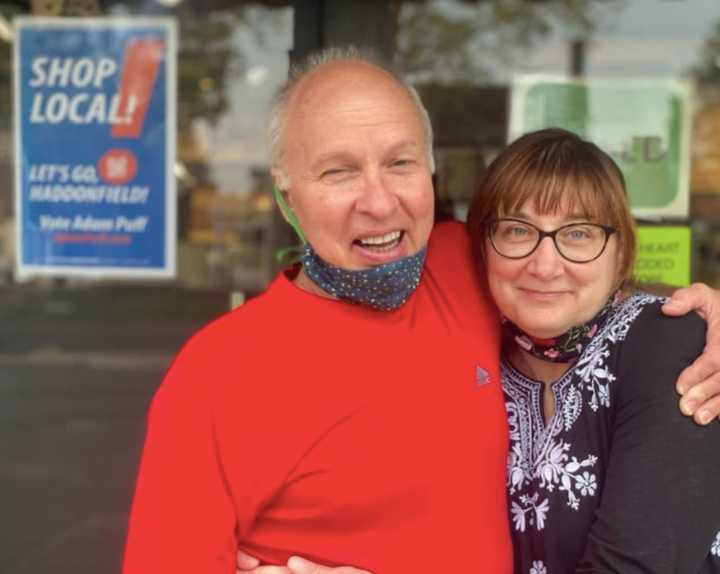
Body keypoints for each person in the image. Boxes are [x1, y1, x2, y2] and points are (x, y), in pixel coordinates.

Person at [124, 49, 720, 574]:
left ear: (430, 172)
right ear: (285, 190)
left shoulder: (471, 265)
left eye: (401, 163)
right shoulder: (214, 374)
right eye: (339, 171)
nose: (379, 202)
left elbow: (576, 277)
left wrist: (707, 313)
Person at [240, 128, 720, 574]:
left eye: (579, 233)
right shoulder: (475, 361)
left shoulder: (669, 343)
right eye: (516, 231)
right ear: (482, 247)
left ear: (621, 252)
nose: (545, 264)